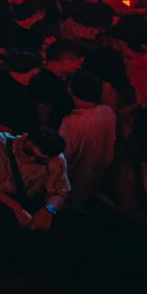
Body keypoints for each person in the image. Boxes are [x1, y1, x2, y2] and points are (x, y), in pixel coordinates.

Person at [0, 124, 70, 232]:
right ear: (24, 136)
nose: (30, 159)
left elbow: (59, 192)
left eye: (39, 160)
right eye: (28, 152)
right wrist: (16, 208)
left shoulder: (56, 159)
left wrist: (47, 211)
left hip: (27, 207)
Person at [58, 70, 115, 207]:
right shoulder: (107, 112)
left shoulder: (72, 122)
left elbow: (63, 158)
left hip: (73, 186)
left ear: (71, 90)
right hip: (98, 180)